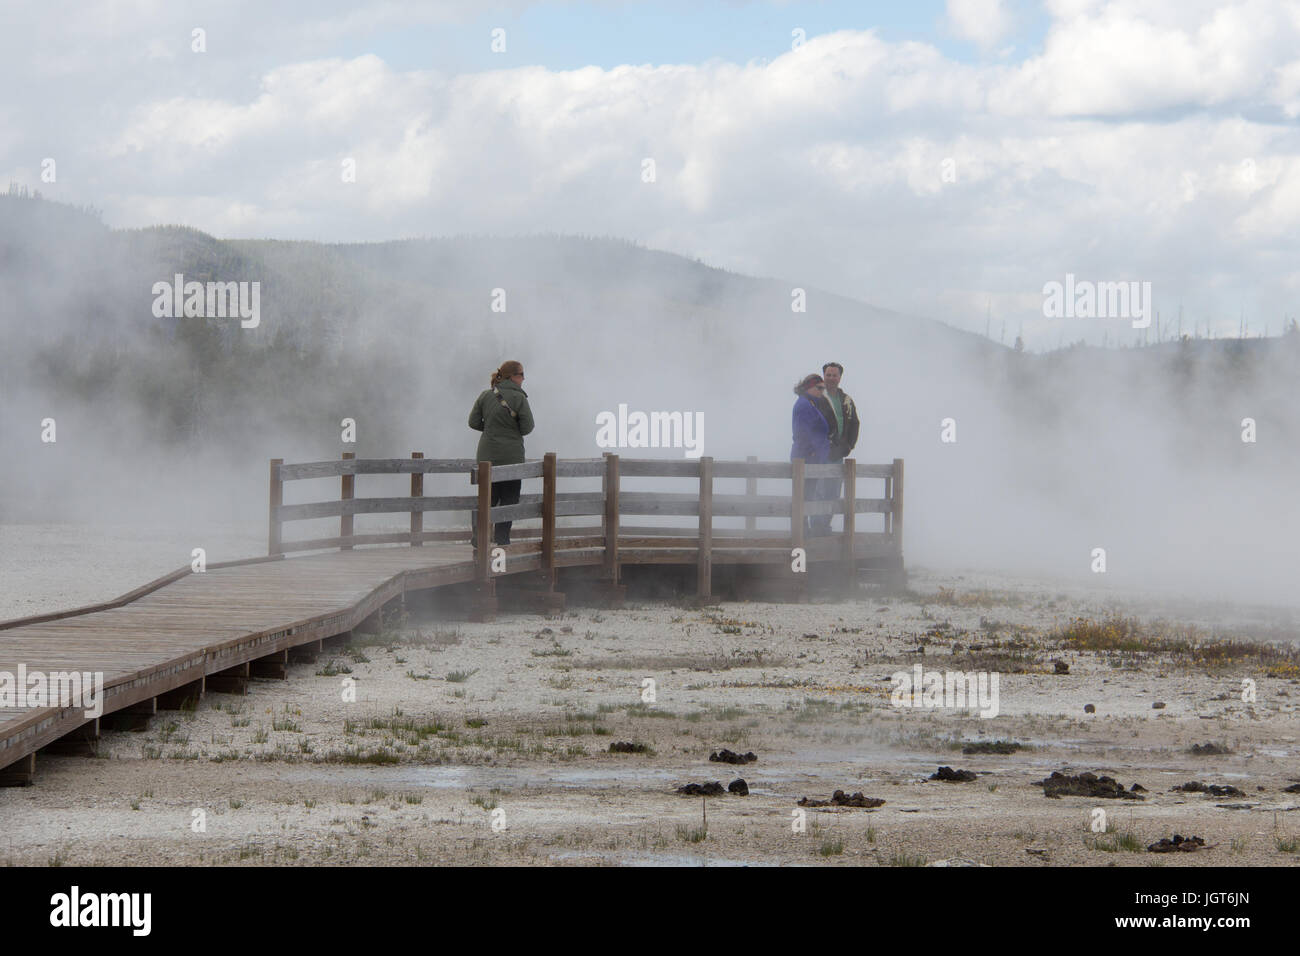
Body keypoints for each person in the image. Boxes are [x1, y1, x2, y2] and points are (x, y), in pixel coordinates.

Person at [468, 360, 535, 546]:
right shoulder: (519, 398)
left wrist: (491, 429)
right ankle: (502, 539)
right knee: (509, 499)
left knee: (487, 498)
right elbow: (528, 427)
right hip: (511, 457)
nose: (523, 378)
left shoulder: (485, 396)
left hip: (486, 456)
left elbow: (473, 422)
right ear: (512, 376)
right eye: (521, 374)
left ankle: (479, 537)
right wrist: (511, 431)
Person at [817, 361, 861, 531]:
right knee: (818, 492)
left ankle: (825, 526)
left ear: (840, 378)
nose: (831, 378)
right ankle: (816, 528)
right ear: (823, 376)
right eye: (828, 375)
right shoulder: (818, 397)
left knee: (834, 492)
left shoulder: (846, 400)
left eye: (834, 375)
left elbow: (855, 424)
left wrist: (848, 446)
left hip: (838, 454)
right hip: (820, 454)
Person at [791, 373, 835, 537]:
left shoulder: (810, 403)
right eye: (819, 388)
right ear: (809, 387)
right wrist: (814, 450)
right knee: (804, 496)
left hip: (810, 458)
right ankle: (801, 533)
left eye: (823, 388)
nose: (822, 391)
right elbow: (804, 432)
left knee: (807, 496)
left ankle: (803, 531)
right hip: (806, 458)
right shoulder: (804, 405)